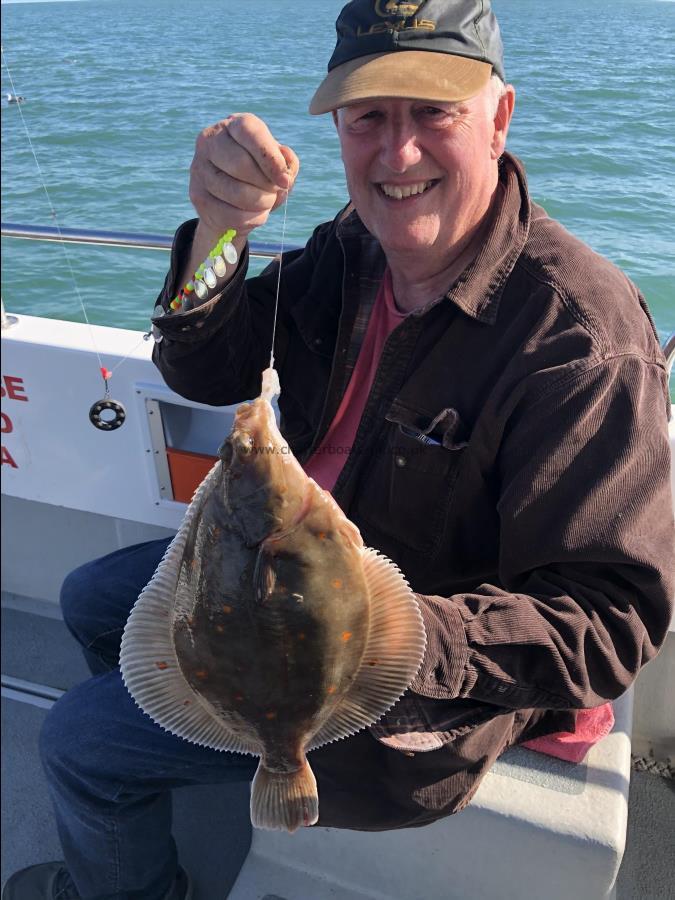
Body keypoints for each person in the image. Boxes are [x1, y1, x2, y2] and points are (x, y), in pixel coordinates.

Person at [4, 1, 674, 898]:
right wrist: (218, 232)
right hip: (292, 587)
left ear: (499, 116)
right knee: (92, 600)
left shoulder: (578, 342)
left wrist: (376, 639)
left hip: (417, 694)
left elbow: (605, 627)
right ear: (338, 128)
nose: (396, 155)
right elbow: (208, 370)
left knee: (79, 745)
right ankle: (198, 739)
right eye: (368, 118)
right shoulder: (356, 246)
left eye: (433, 112)